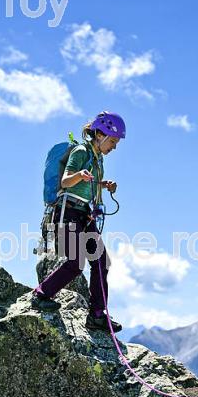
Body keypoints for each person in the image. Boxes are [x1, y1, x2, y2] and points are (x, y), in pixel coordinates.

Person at [32, 111, 126, 332]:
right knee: (75, 263)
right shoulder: (81, 151)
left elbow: (87, 184)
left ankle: (97, 315)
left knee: (101, 262)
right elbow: (66, 181)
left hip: (85, 213)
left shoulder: (97, 158)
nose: (114, 146)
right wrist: (80, 174)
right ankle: (41, 294)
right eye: (112, 141)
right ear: (100, 134)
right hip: (68, 212)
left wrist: (103, 185)